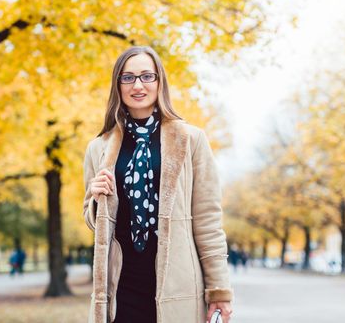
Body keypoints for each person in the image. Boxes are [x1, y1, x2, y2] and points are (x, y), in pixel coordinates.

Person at [83, 46, 233, 323]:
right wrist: (96, 197)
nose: (137, 85)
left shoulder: (191, 140)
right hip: (120, 285)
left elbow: (208, 220)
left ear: (159, 82)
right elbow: (93, 222)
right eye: (127, 78)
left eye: (146, 76)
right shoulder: (99, 148)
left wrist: (219, 290)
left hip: (178, 283)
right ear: (117, 85)